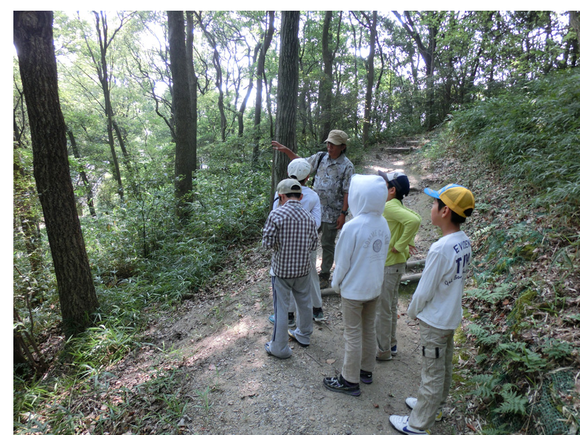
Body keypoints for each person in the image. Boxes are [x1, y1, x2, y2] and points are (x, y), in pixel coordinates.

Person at [389, 184, 475, 435]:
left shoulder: (440, 248)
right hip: (450, 316)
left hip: (435, 320)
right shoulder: (463, 241)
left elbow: (425, 290)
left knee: (431, 373)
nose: (431, 207)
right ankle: (434, 406)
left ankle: (418, 424)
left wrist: (413, 312)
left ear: (445, 211)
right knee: (444, 367)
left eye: (434, 203)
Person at [322, 175, 391, 396]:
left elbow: (342, 263)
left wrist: (336, 283)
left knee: (352, 334)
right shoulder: (383, 222)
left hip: (354, 290)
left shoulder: (353, 226)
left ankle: (349, 380)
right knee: (368, 329)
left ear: (358, 197)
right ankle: (366, 370)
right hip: (374, 287)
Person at [272, 130, 355, 290]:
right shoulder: (321, 157)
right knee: (306, 239)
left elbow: (347, 191)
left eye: (334, 145)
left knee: (327, 244)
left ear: (343, 147)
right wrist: (287, 151)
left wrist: (343, 214)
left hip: (333, 213)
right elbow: (301, 165)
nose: (329, 147)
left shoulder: (347, 166)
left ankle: (324, 275)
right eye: (328, 143)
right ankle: (301, 270)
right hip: (313, 210)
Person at [262, 178, 319, 359]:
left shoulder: (276, 215)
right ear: (301, 196)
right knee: (304, 302)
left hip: (281, 271)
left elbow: (267, 244)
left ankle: (279, 348)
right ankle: (304, 334)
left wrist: (280, 245)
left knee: (281, 307)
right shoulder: (309, 217)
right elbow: (313, 246)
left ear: (281, 196)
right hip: (303, 269)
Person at [268, 158, 325, 326]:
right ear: (307, 177)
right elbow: (317, 223)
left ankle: (289, 315)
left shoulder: (281, 193)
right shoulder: (313, 196)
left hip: (285, 244)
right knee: (310, 274)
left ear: (288, 173)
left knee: (287, 277)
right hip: (307, 243)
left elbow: (275, 215)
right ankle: (317, 309)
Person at [375, 171, 421, 361]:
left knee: (383, 309)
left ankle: (384, 350)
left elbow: (415, 220)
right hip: (396, 264)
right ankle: (391, 344)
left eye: (384, 186)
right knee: (390, 307)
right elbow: (414, 216)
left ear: (392, 190)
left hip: (389, 264)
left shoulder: (389, 206)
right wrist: (406, 241)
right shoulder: (398, 204)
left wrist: (400, 245)